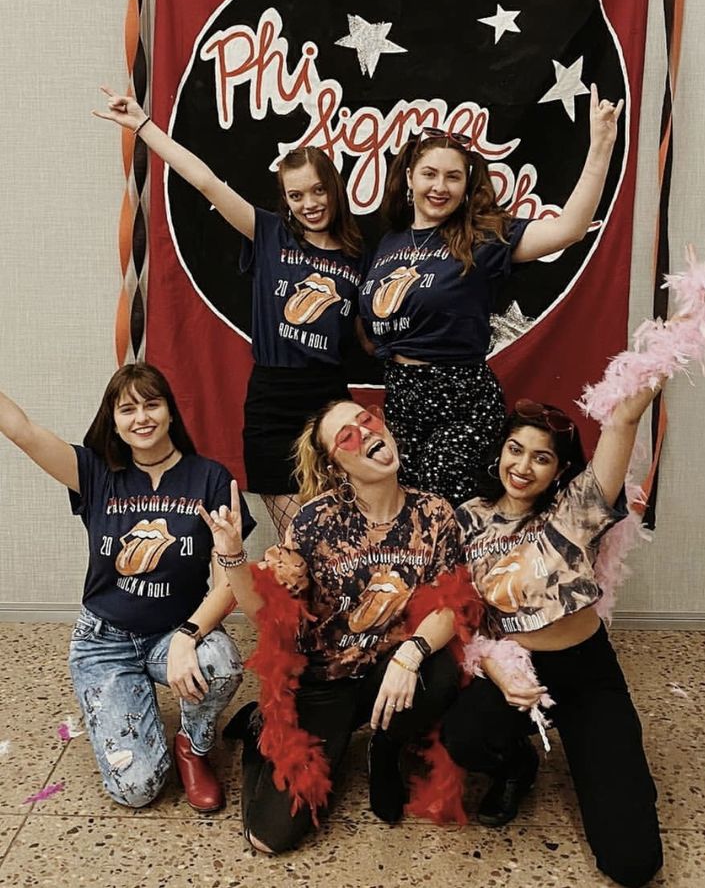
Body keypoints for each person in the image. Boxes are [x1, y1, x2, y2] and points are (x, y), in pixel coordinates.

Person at [437, 326, 705, 888]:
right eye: (514, 449)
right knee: (464, 739)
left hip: (587, 672)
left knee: (633, 863)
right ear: (499, 451)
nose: (523, 466)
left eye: (542, 458)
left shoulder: (577, 510)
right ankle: (517, 763)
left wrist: (676, 341)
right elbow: (463, 616)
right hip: (516, 667)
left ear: (559, 470)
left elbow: (622, 422)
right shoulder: (465, 518)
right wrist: (494, 666)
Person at [197, 399, 470, 853]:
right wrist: (232, 556)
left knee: (440, 671)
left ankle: (386, 747)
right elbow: (269, 610)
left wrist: (410, 652)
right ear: (337, 464)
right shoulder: (316, 521)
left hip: (388, 673)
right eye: (347, 436)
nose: (364, 433)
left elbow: (452, 601)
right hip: (324, 683)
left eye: (367, 420)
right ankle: (257, 730)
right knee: (269, 838)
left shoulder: (435, 513)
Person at [94, 89, 368, 539]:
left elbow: (366, 332)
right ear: (285, 200)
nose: (310, 203)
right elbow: (204, 181)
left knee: (338, 531)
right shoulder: (269, 233)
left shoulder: (359, 254)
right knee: (296, 537)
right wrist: (144, 126)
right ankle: (301, 611)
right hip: (273, 398)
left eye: (319, 190)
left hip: (330, 397)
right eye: (296, 195)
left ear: (334, 189)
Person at [0, 363, 254, 812]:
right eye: (128, 409)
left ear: (171, 412)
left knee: (221, 662)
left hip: (173, 634)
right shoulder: (95, 472)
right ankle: (128, 703)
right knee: (137, 789)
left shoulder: (210, 479)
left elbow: (227, 586)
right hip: (105, 643)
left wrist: (187, 636)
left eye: (152, 404)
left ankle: (192, 746)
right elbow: (22, 431)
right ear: (113, 421)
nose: (142, 418)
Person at [359, 87, 623, 505]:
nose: (440, 186)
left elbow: (568, 229)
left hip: (459, 399)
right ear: (410, 176)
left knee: (444, 521)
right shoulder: (389, 241)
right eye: (429, 173)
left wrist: (600, 147)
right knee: (406, 522)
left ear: (467, 185)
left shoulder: (484, 237)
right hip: (400, 399)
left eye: (453, 176)